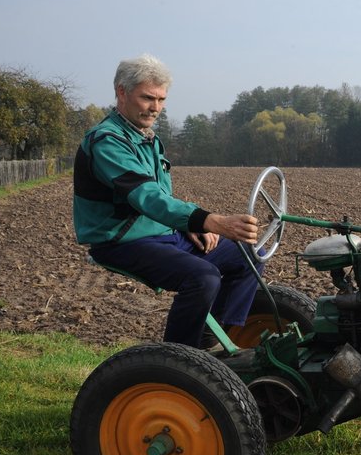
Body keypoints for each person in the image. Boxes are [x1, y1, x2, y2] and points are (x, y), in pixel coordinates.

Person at [73, 54, 262, 349]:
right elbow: (146, 197)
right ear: (121, 92)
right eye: (148, 98)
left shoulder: (147, 138)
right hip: (122, 242)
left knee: (248, 254)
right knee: (203, 277)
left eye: (161, 100)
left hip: (163, 235)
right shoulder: (107, 141)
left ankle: (216, 338)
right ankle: (179, 360)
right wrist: (213, 221)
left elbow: (162, 196)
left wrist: (189, 226)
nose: (156, 108)